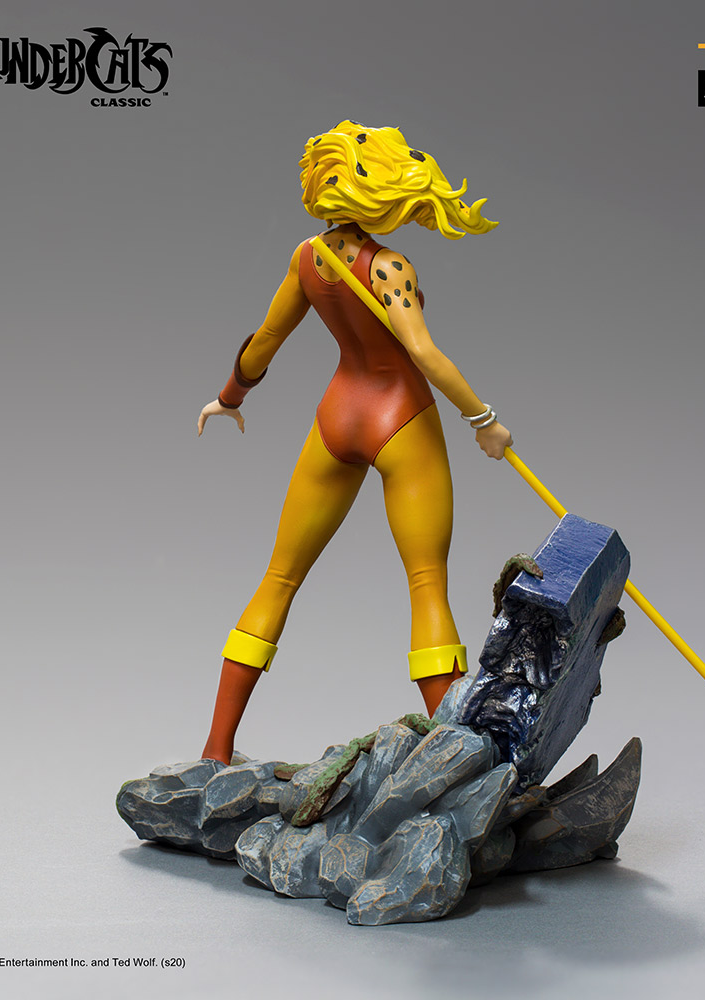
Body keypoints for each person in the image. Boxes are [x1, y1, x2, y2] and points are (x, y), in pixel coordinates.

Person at [197, 121, 512, 764]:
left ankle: (216, 749)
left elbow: (265, 339)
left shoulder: (307, 257)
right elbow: (423, 353)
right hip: (399, 418)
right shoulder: (390, 266)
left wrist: (230, 396)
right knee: (427, 584)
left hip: (336, 418)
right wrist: (484, 421)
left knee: (278, 578)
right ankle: (457, 763)